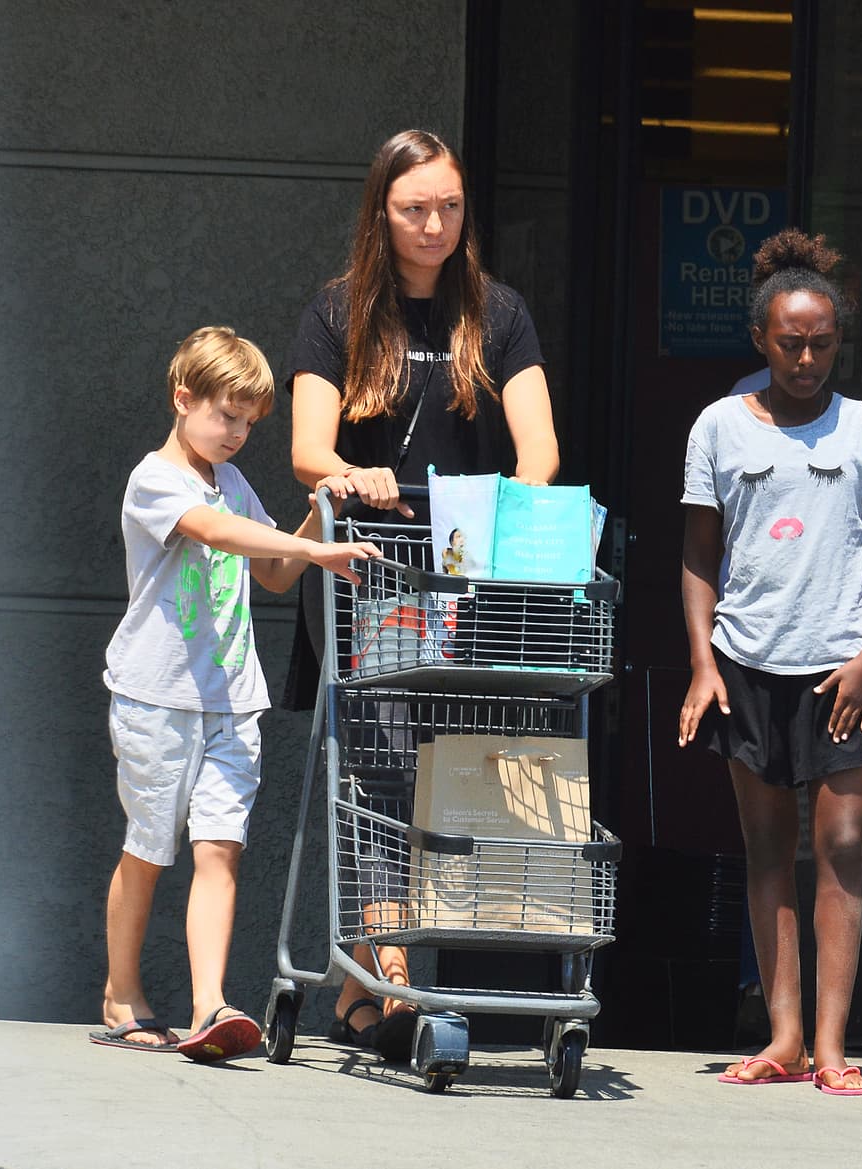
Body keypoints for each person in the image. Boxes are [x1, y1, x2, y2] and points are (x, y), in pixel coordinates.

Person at [286, 128, 560, 1060]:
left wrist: (515, 507)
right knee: (380, 770)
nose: (434, 224)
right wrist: (353, 476)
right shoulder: (338, 313)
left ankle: (372, 989)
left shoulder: (498, 310)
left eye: (448, 206)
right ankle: (391, 981)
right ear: (381, 212)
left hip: (467, 579)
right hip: (374, 578)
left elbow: (540, 449)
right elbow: (306, 452)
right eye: (414, 209)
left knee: (450, 776)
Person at [93, 326, 380, 1062]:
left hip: (232, 700)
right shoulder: (154, 479)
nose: (239, 434)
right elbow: (217, 534)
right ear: (182, 398)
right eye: (227, 416)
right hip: (156, 697)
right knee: (149, 849)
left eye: (251, 422)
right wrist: (315, 544)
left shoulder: (235, 481)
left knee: (220, 849)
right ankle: (121, 992)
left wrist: (324, 503)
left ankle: (209, 1003)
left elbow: (276, 573)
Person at [678, 228, 862, 1095]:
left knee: (843, 844)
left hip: (841, 669)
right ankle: (782, 1035)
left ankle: (833, 1044)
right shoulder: (717, 427)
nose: (807, 357)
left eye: (822, 342)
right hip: (748, 663)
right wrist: (704, 665)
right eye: (791, 342)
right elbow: (699, 554)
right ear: (761, 339)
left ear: (838, 340)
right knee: (768, 847)